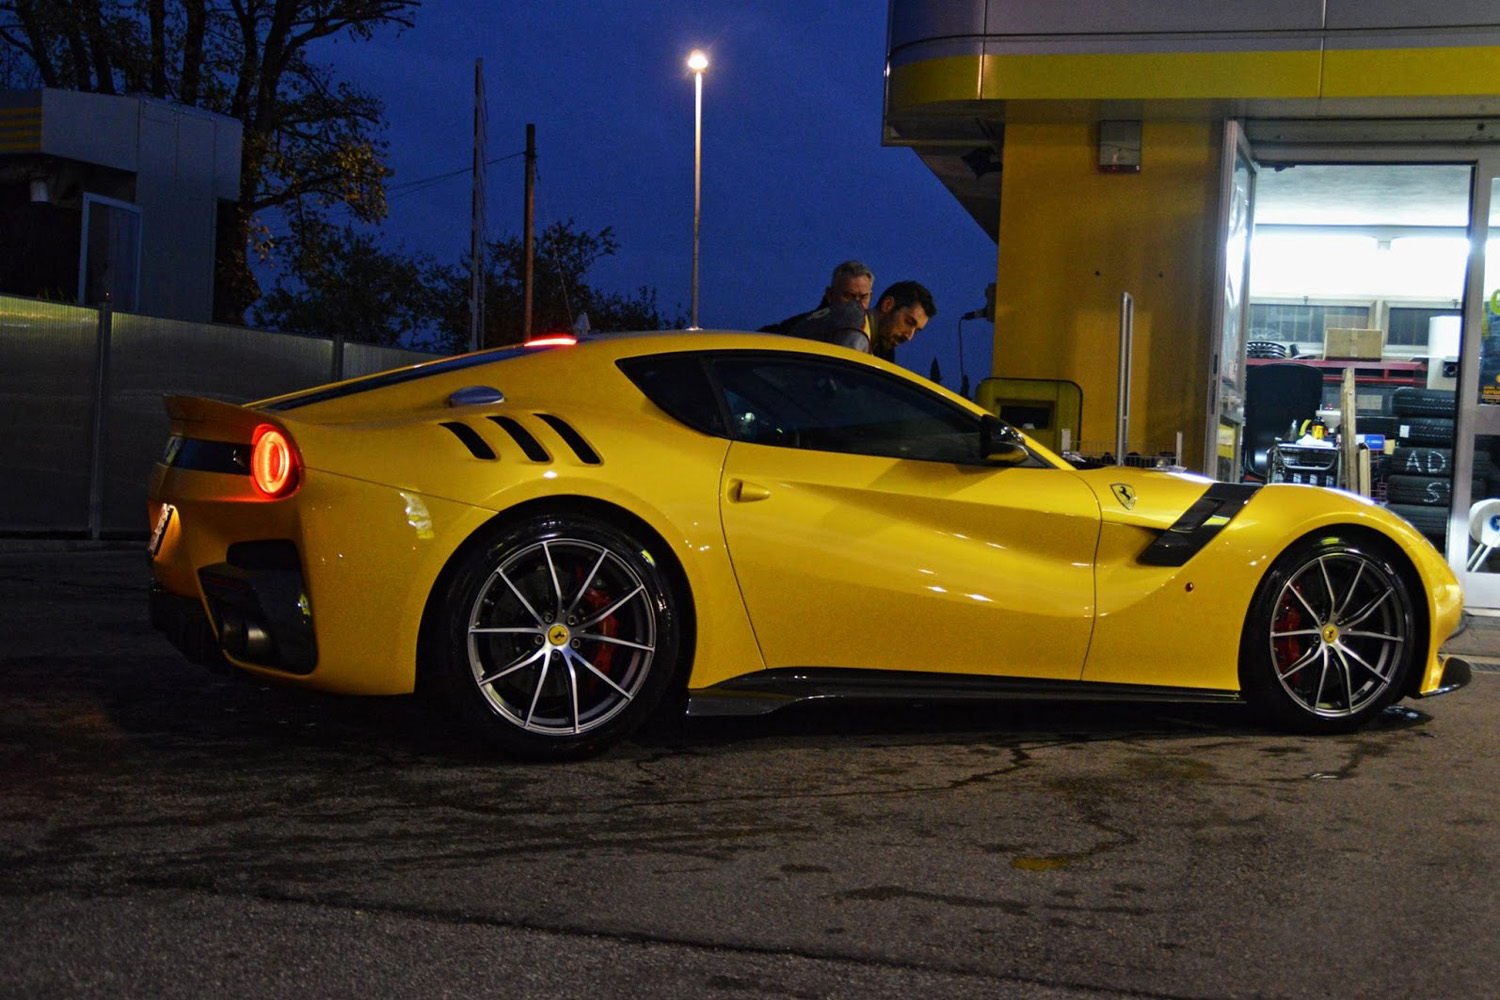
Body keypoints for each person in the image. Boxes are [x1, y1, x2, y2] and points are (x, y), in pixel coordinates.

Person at [759, 260, 873, 334]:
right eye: (848, 296)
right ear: (830, 295)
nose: (856, 304)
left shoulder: (875, 338)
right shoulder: (802, 328)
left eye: (863, 297)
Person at [866, 281, 935, 362]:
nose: (909, 336)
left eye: (916, 331)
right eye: (909, 322)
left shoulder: (885, 353)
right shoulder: (855, 329)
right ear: (887, 305)